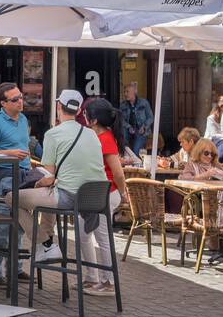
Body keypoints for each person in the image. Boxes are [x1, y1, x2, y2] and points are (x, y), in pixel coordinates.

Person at [11, 90, 107, 269]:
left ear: (58, 107)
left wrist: (37, 183)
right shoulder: (92, 134)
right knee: (48, 195)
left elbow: (48, 177)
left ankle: (45, 244)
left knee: (11, 197)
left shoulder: (53, 134)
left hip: (69, 198)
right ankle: (47, 241)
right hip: (96, 198)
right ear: (79, 111)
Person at [82, 97, 130, 297]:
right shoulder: (98, 137)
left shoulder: (105, 139)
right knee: (84, 234)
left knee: (102, 237)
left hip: (106, 194)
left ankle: (108, 282)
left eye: (85, 114)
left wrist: (123, 193)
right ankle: (92, 277)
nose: (83, 117)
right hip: (97, 193)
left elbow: (117, 172)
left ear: (93, 120)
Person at [0, 82, 33, 195]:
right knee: (4, 207)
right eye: (15, 99)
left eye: (21, 97)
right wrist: (9, 153)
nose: (20, 101)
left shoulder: (23, 119)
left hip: (25, 174)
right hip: (5, 174)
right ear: (3, 103)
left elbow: (25, 146)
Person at [119, 83, 153, 157]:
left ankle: (135, 161)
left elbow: (150, 117)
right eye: (124, 92)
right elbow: (121, 119)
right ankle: (125, 153)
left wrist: (144, 127)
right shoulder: (123, 105)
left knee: (136, 150)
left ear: (134, 91)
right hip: (128, 130)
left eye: (127, 91)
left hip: (141, 131)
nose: (125, 94)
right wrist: (128, 127)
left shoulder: (144, 103)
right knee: (125, 145)